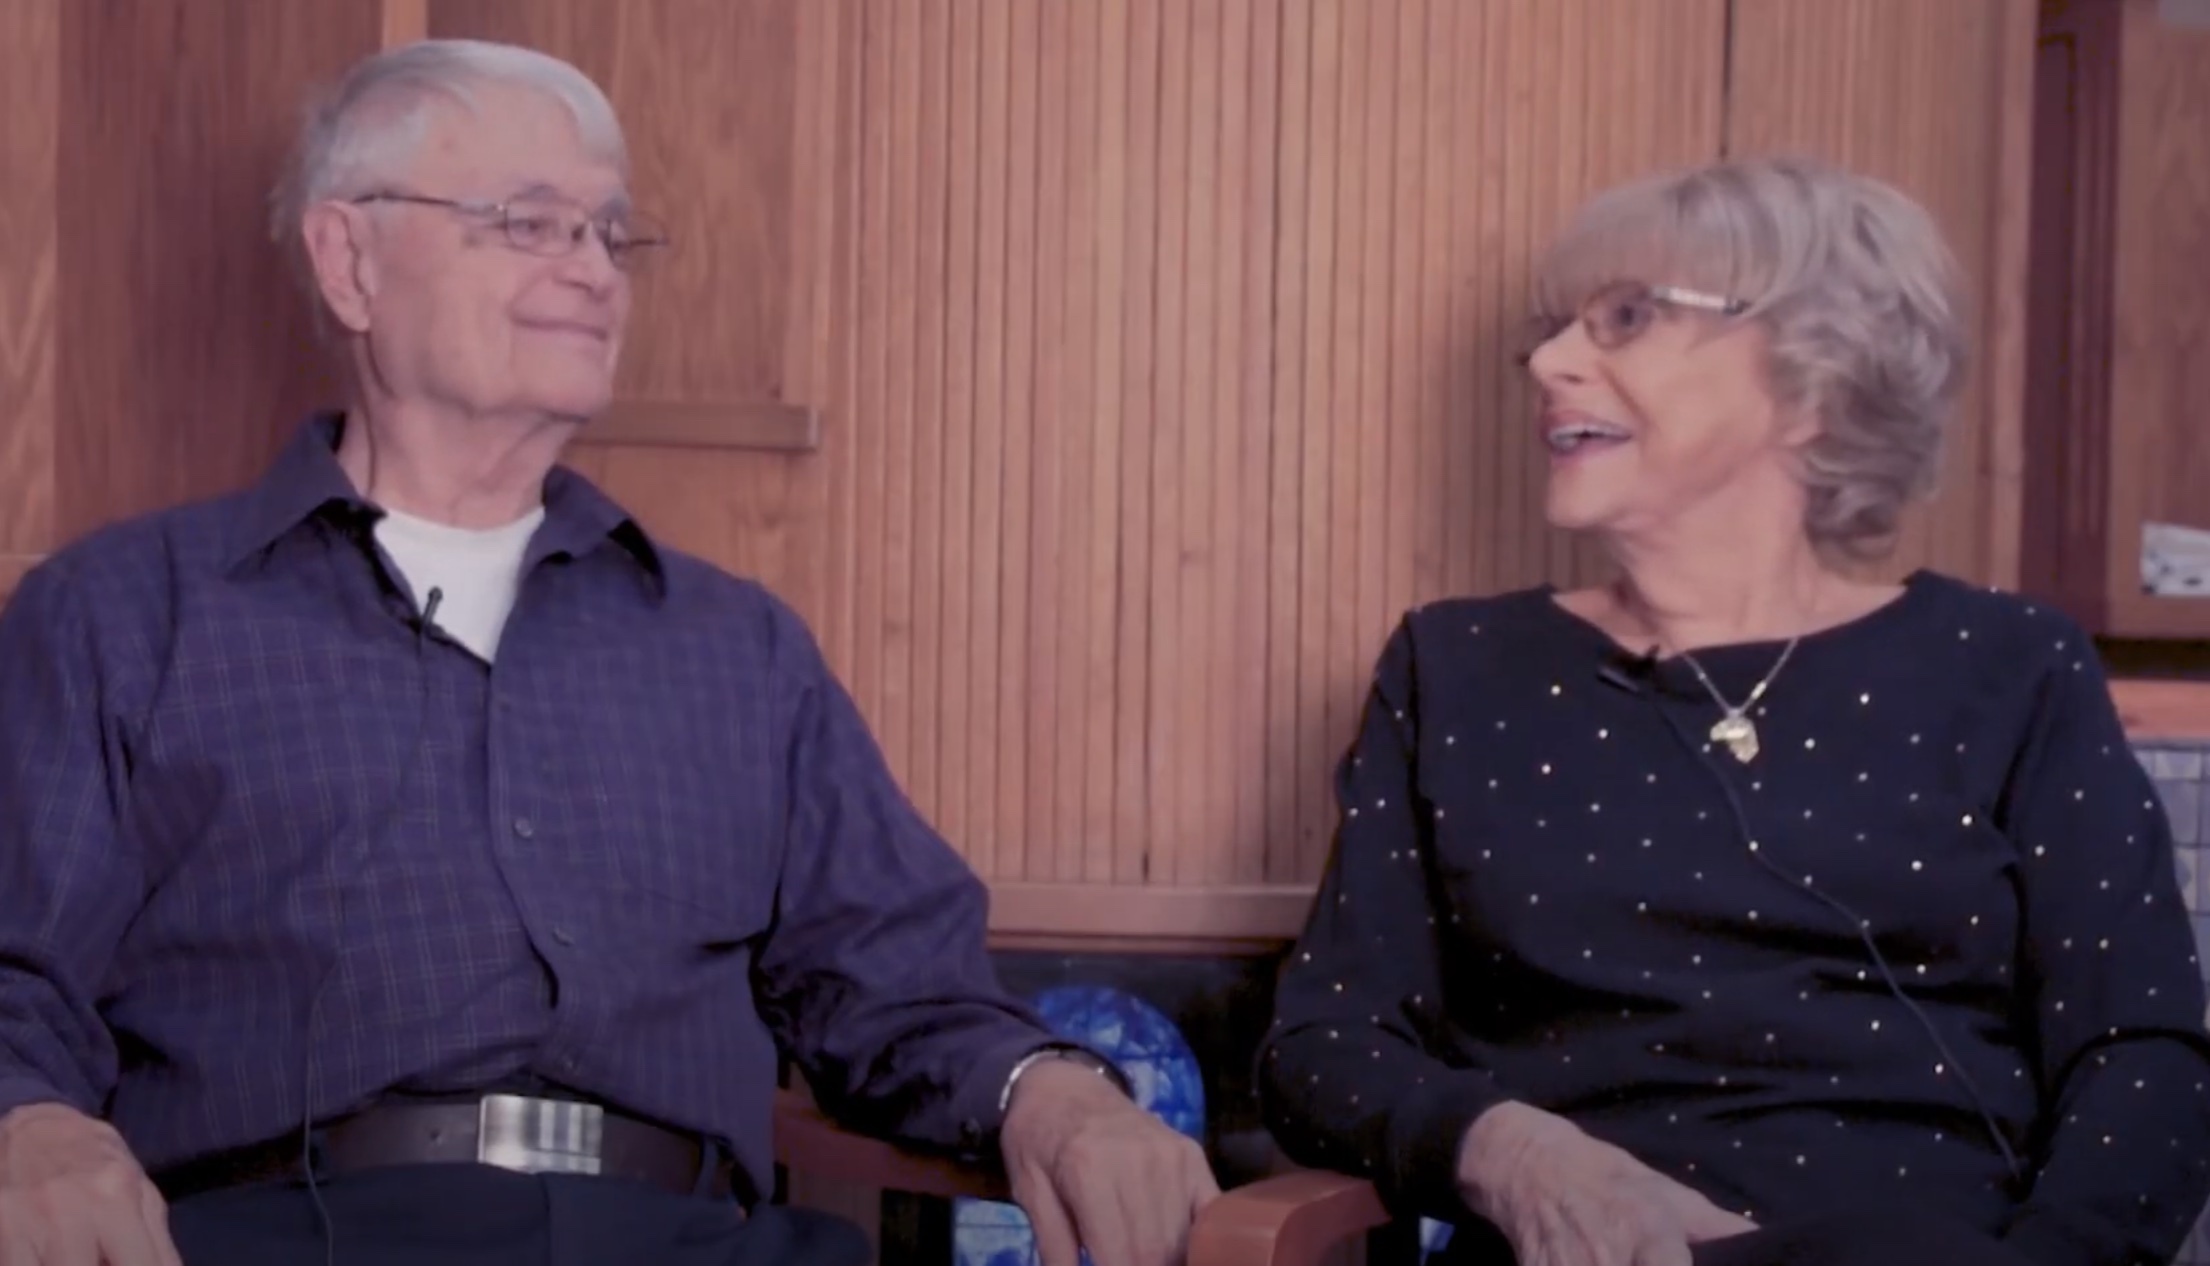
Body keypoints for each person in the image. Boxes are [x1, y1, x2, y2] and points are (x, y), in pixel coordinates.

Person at [0, 39, 1217, 1266]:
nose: (590, 270)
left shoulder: (735, 650)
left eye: (609, 233)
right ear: (349, 258)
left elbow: (900, 982)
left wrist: (1054, 1097)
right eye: (529, 223)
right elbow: (12, 968)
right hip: (301, 1234)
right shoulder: (125, 615)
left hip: (692, 1239)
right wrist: (27, 1122)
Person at [1257, 154, 2210, 1266]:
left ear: (1810, 388)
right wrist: (1510, 1151)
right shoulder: (1458, 667)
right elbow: (1322, 1042)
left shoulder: (2007, 665)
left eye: (1622, 319)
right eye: (1554, 328)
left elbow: (2141, 1050)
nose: (1552, 363)